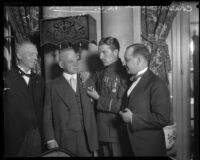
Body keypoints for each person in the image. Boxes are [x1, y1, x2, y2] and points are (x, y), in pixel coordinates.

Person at [43, 46, 98, 157]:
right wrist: (50, 139)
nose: (75, 64)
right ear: (61, 65)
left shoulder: (88, 80)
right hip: (65, 138)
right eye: (70, 61)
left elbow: (95, 107)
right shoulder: (52, 86)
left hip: (87, 139)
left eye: (76, 60)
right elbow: (47, 116)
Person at [119, 43, 171, 156]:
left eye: (126, 60)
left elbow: (163, 118)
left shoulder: (157, 83)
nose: (123, 63)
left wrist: (133, 118)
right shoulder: (132, 79)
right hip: (131, 146)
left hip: (148, 149)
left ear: (138, 60)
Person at [83, 37, 129, 156]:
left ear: (115, 52)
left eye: (104, 52)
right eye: (100, 53)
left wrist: (98, 98)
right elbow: (89, 83)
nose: (101, 57)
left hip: (116, 132)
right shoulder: (101, 72)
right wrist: (87, 76)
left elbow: (121, 106)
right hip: (101, 130)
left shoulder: (124, 74)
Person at [4, 41, 45, 156]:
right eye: (31, 54)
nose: (35, 58)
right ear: (19, 56)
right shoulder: (7, 78)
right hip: (14, 137)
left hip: (36, 135)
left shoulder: (40, 80)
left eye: (36, 55)